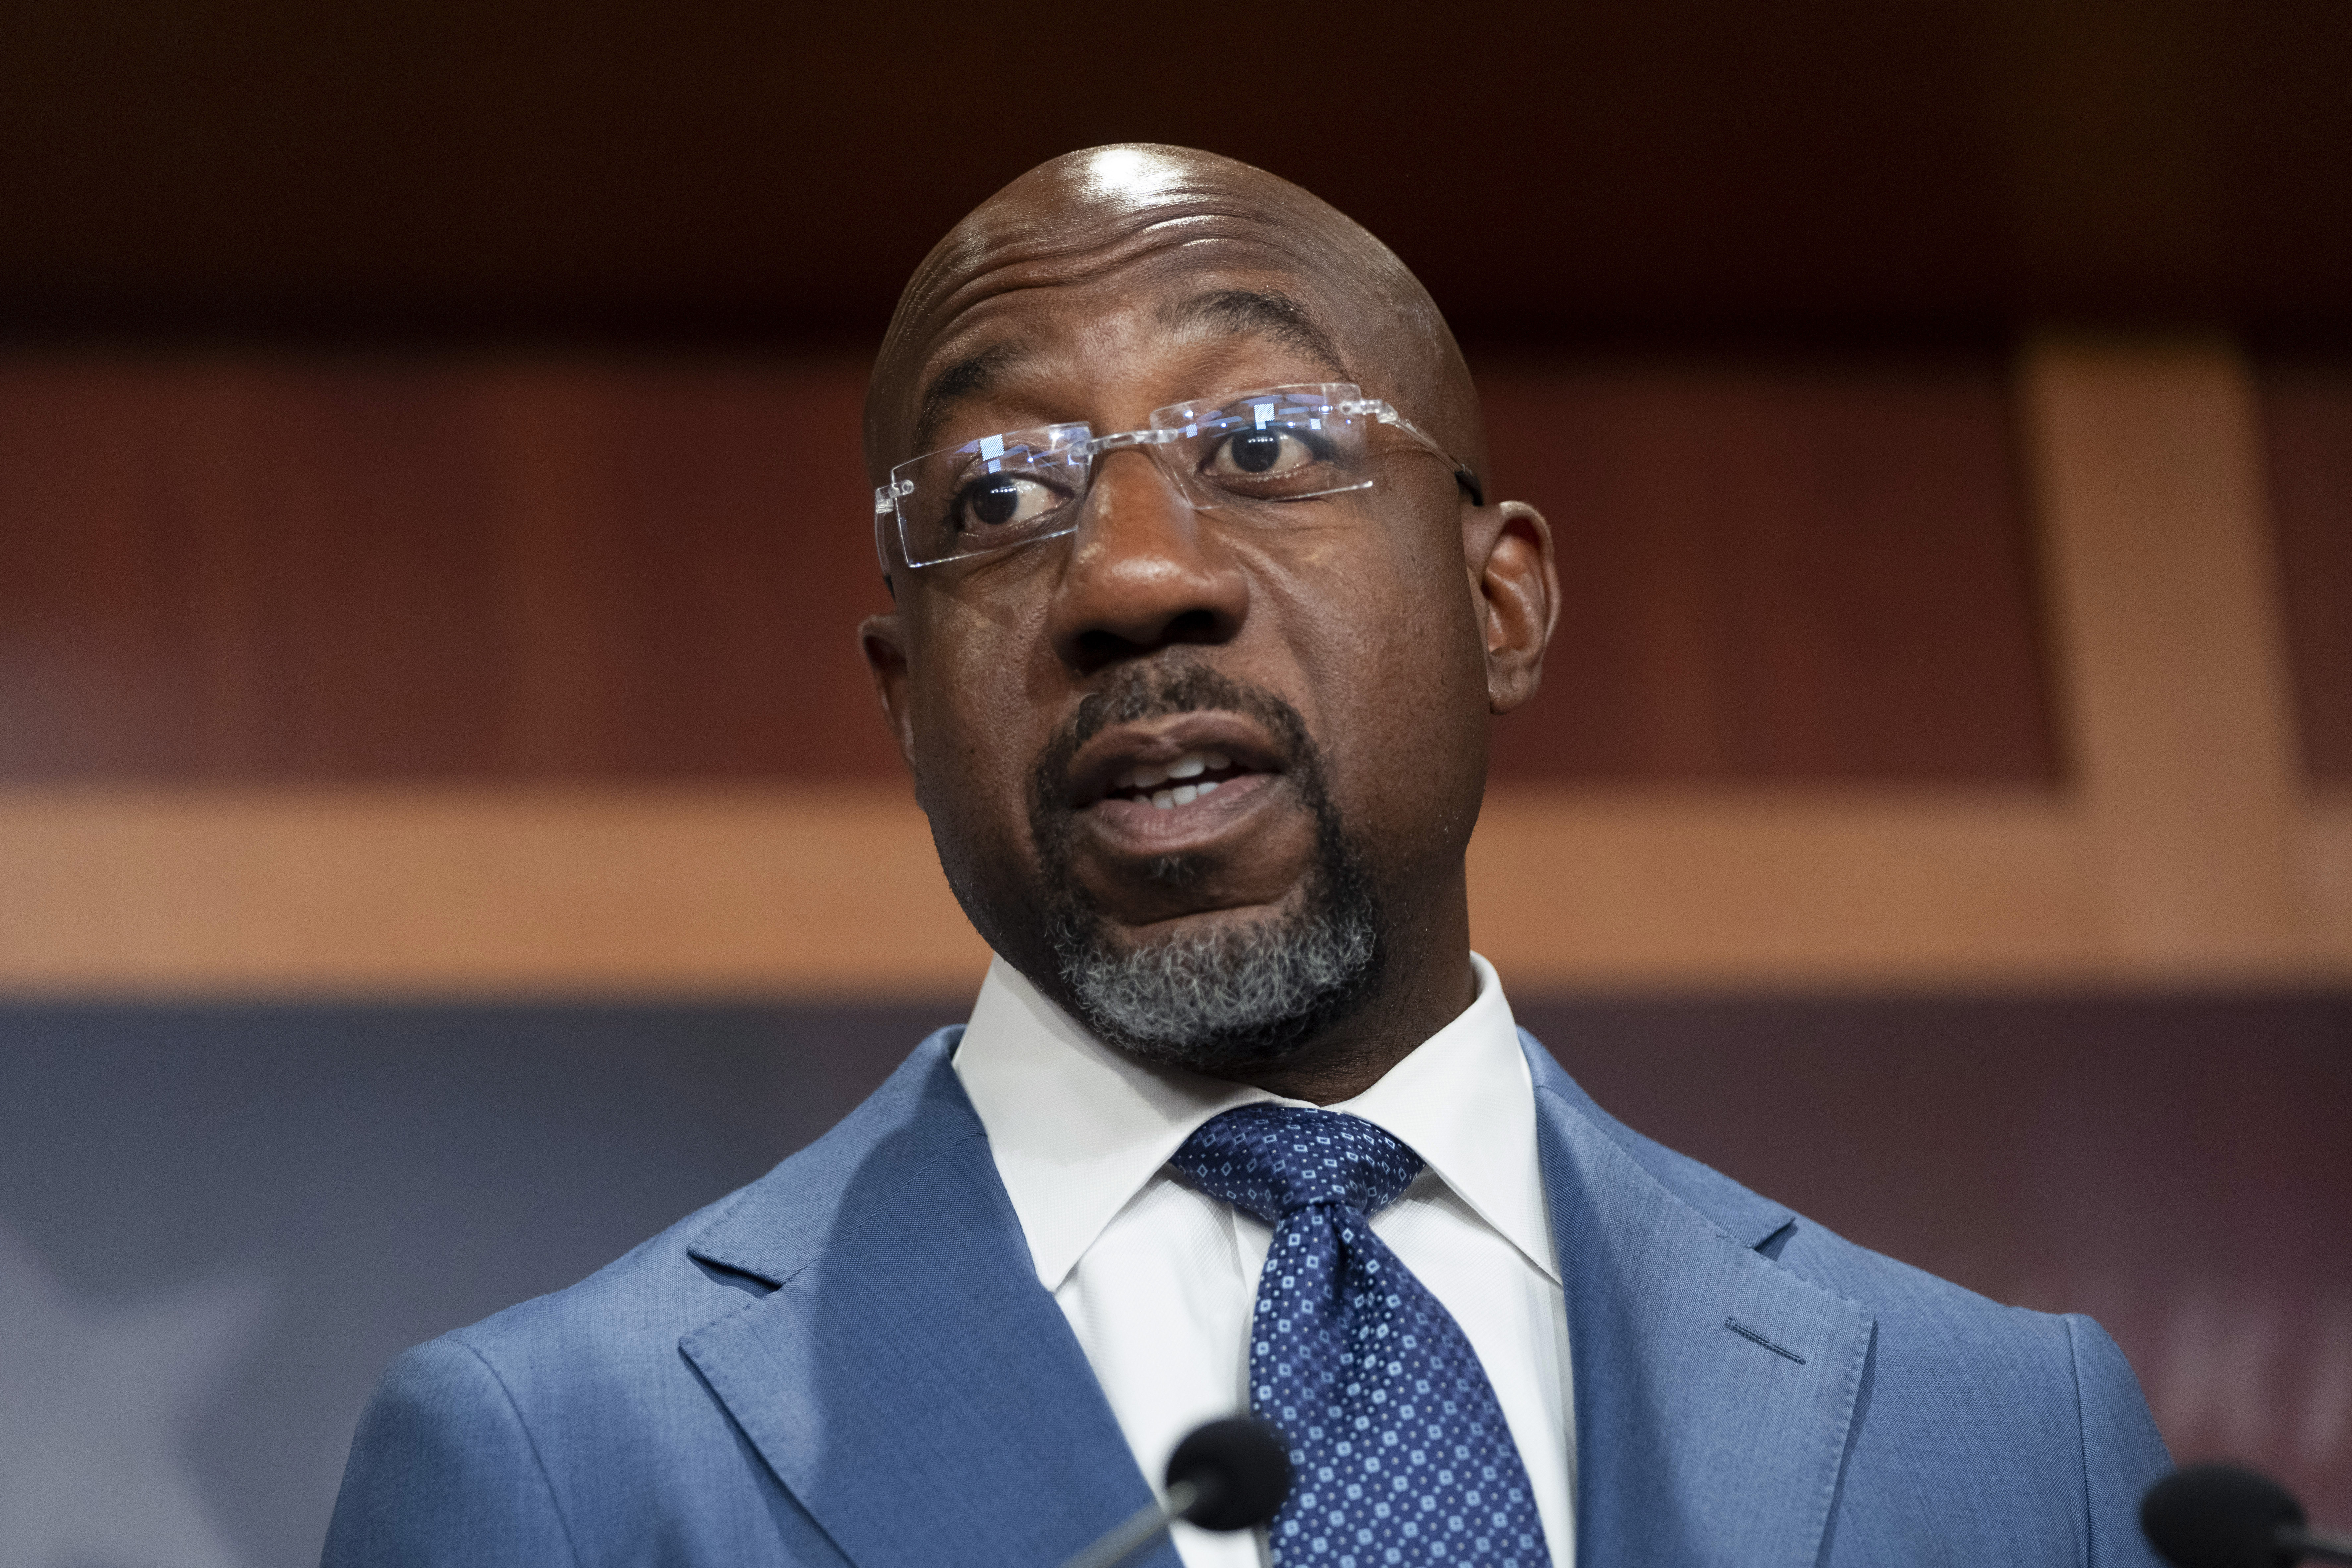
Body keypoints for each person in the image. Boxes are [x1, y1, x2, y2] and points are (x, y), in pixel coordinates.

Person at [323, 144, 2170, 1568]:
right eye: (996, 498)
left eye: (1269, 442)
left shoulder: (2017, 1444)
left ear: (1501, 602)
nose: (1134, 577)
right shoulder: (563, 1464)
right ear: (902, 707)